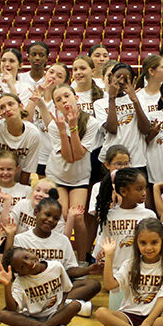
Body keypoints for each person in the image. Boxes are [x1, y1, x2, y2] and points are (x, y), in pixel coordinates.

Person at [9, 189, 101, 316]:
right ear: (36, 212)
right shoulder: (21, 239)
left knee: (93, 284)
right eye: (47, 215)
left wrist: (88, 270)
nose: (50, 220)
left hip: (58, 288)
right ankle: (63, 307)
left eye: (56, 218)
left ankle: (57, 306)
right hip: (33, 289)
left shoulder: (62, 240)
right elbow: (15, 269)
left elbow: (69, 270)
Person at [95, 218, 163, 326]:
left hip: (153, 317)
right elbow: (109, 285)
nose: (148, 247)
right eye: (143, 243)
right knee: (100, 312)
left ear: (162, 242)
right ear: (137, 243)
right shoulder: (129, 264)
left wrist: (147, 323)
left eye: (154, 242)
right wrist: (109, 257)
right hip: (127, 316)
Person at [42, 84, 102, 228]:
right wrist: (63, 132)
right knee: (62, 216)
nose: (64, 100)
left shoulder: (91, 122)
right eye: (58, 99)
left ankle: (82, 252)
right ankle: (62, 249)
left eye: (67, 96)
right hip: (57, 175)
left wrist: (73, 128)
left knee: (77, 217)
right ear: (56, 106)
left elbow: (78, 155)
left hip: (79, 177)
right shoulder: (54, 125)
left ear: (76, 98)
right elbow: (68, 157)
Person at [0, 247, 78, 326]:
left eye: (27, 257)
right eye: (22, 267)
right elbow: (12, 309)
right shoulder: (19, 282)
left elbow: (66, 289)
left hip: (55, 315)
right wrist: (7, 286)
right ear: (19, 273)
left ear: (31, 251)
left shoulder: (56, 266)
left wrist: (61, 305)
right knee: (3, 315)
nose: (29, 263)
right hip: (31, 319)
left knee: (76, 305)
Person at [0, 93, 42, 186]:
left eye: (10, 104)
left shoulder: (33, 134)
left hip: (16, 181)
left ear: (21, 106)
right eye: (2, 107)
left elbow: (27, 171)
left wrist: (18, 192)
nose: (7, 109)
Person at [94, 62, 151, 169]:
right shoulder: (99, 104)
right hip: (111, 160)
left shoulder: (140, 99)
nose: (121, 82)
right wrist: (112, 98)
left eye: (126, 79)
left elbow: (146, 129)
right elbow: (112, 129)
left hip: (136, 160)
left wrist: (134, 100)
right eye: (118, 77)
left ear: (133, 81)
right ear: (110, 77)